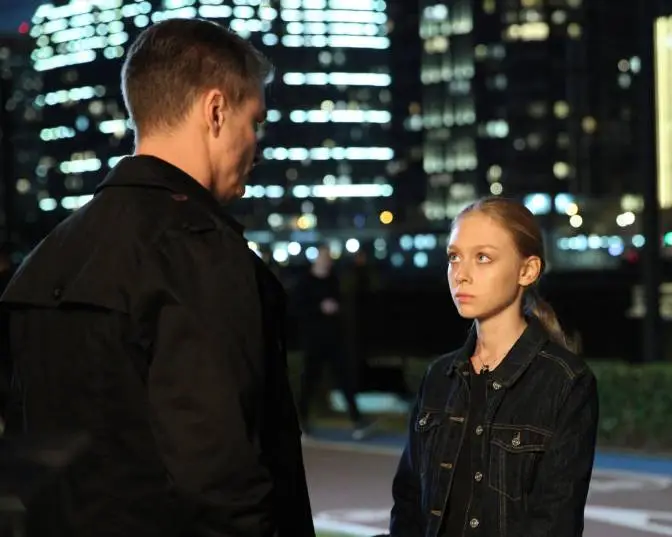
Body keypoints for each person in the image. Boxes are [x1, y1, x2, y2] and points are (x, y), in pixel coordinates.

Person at [0, 19, 314, 537]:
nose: (255, 145)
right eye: (254, 121)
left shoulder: (47, 257)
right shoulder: (200, 255)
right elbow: (221, 482)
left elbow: (27, 469)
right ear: (216, 111)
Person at [389, 197, 599, 537]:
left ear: (527, 270)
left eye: (482, 257)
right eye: (454, 257)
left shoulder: (564, 381)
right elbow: (408, 502)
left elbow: (556, 520)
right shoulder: (439, 376)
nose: (461, 274)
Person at [296, 245, 374, 440]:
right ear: (316, 259)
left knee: (345, 379)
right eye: (324, 257)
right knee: (309, 382)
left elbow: (343, 303)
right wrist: (319, 308)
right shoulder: (305, 282)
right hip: (314, 340)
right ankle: (301, 422)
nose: (327, 261)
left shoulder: (334, 280)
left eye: (328, 258)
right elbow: (298, 309)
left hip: (334, 339)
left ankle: (358, 420)